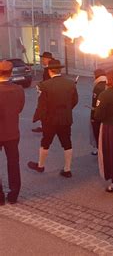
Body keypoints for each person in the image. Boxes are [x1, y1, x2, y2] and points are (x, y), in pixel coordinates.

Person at [28, 59, 78, 178]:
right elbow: (75, 101)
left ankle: (41, 166)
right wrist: (66, 109)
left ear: (50, 71)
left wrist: (37, 117)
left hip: (49, 120)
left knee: (46, 142)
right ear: (59, 70)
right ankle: (67, 169)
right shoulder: (70, 84)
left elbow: (42, 105)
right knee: (67, 142)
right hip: (65, 118)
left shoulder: (44, 85)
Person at [0, 61, 25, 205]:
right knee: (13, 163)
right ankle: (14, 194)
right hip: (12, 133)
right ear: (11, 73)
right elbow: (20, 108)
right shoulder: (19, 89)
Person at [32, 51, 55, 133]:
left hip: (47, 93)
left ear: (48, 59)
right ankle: (44, 125)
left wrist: (41, 86)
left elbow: (50, 81)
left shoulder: (50, 69)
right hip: (46, 91)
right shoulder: (47, 68)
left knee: (44, 109)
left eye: (44, 59)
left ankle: (45, 126)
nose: (42, 60)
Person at [90, 69, 107, 156]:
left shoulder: (98, 86)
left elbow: (95, 103)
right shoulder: (108, 83)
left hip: (98, 114)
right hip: (108, 114)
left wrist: (93, 117)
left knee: (98, 132)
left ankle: (99, 149)